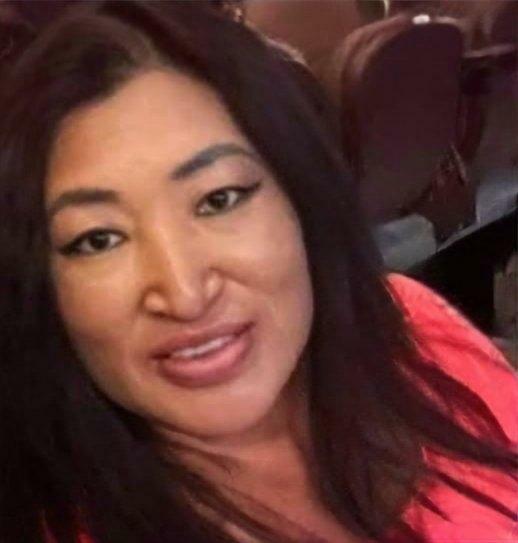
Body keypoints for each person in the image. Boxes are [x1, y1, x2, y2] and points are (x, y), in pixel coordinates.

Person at [0, 2, 515, 542]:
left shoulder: (408, 325)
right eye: (98, 239)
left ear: (300, 195)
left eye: (219, 199)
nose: (184, 293)